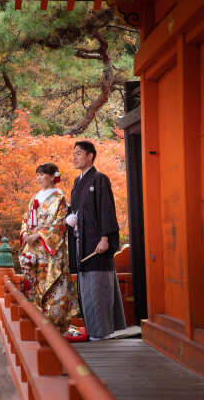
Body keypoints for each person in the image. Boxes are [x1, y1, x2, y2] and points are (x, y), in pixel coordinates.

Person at [66, 141, 126, 341]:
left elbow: (106, 209)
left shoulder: (100, 179)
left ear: (90, 156)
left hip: (97, 243)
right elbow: (77, 211)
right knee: (87, 291)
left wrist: (105, 237)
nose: (74, 157)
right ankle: (93, 331)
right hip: (81, 243)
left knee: (99, 288)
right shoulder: (77, 183)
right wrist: (70, 217)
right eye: (73, 154)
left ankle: (102, 333)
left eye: (79, 154)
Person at [19, 163, 78, 333]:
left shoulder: (59, 198)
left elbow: (59, 223)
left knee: (53, 283)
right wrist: (25, 234)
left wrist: (38, 235)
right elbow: (25, 219)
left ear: (53, 176)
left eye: (42, 174)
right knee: (36, 283)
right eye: (37, 175)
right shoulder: (35, 197)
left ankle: (55, 323)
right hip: (34, 248)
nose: (38, 178)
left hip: (50, 248)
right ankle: (37, 319)